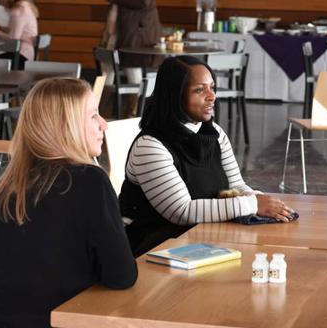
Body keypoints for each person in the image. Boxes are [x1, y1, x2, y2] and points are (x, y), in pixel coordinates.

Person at [0, 78, 137, 328]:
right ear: (66, 125)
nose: (103, 124)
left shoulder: (7, 186)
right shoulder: (90, 181)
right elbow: (122, 276)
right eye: (94, 115)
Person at [119, 56, 294, 257]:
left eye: (212, 87)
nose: (212, 96)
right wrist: (252, 204)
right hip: (153, 247)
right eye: (200, 90)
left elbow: (235, 186)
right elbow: (181, 211)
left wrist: (263, 201)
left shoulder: (215, 133)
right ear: (175, 95)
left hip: (199, 240)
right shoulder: (150, 146)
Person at [97, 0, 161, 118]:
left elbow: (143, 1)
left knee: (131, 71)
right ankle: (101, 115)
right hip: (118, 28)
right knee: (107, 70)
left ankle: (132, 116)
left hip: (133, 31)